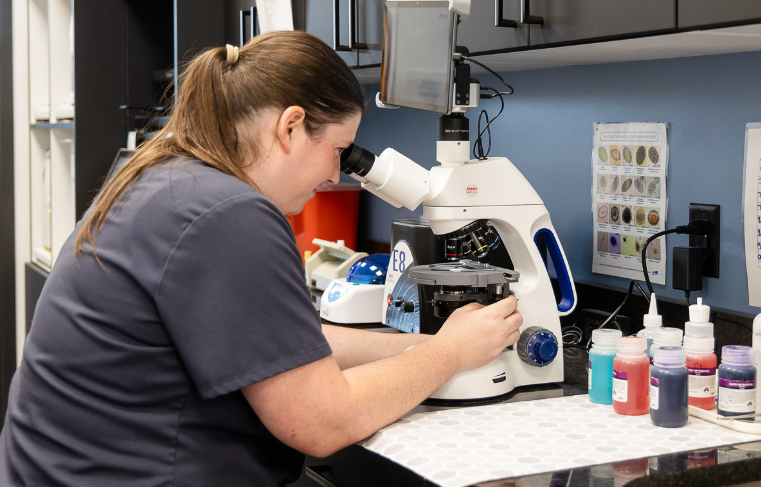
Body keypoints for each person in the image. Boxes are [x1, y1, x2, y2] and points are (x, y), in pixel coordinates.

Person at [0, 31, 523, 486]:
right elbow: (323, 421)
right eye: (339, 149)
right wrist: (450, 354)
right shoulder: (229, 212)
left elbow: (285, 344)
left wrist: (418, 345)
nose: (336, 176)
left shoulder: (168, 176)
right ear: (291, 126)